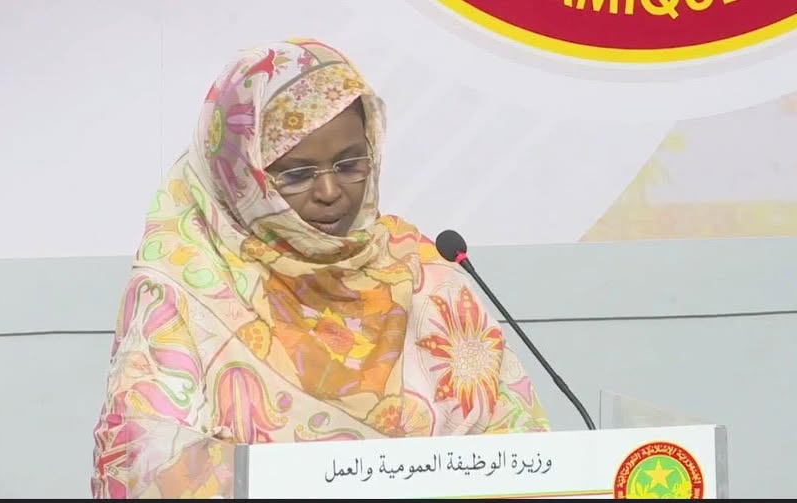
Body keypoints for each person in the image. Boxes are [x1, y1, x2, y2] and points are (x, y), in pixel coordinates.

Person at [91, 38, 550, 499]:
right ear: (240, 173)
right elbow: (144, 466)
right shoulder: (180, 290)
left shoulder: (422, 272)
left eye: (349, 165)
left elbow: (519, 445)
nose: (330, 192)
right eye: (296, 174)